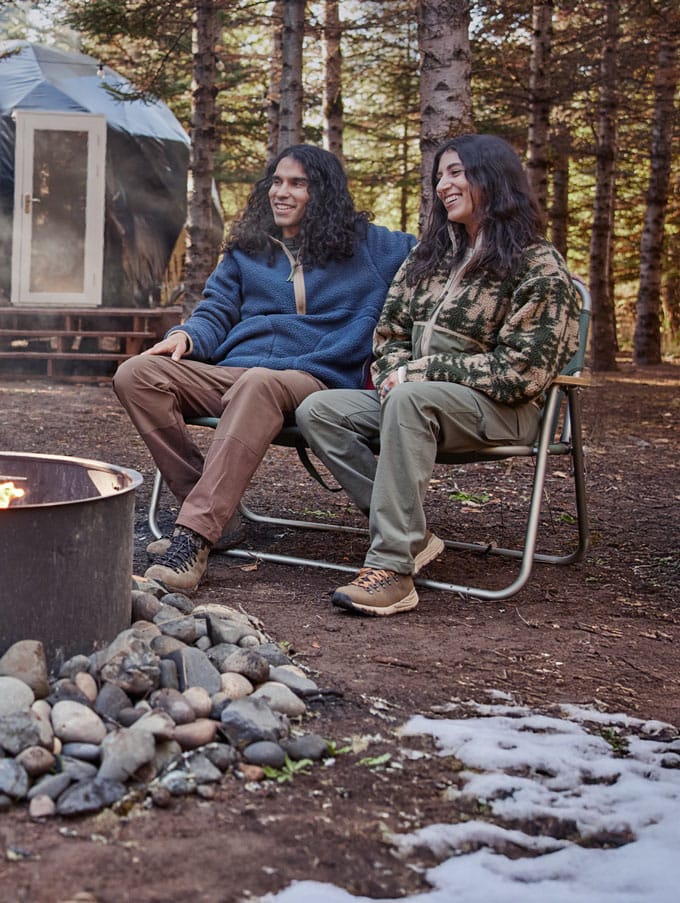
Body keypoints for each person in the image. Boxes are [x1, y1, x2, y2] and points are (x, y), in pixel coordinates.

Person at [296, 133, 582, 617]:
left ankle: (392, 568)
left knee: (411, 399)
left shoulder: (537, 264)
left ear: (493, 178)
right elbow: (390, 333)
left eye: (456, 173)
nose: (443, 185)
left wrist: (421, 372)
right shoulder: (429, 256)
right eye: (439, 176)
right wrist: (394, 372)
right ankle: (414, 536)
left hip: (504, 409)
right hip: (417, 401)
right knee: (319, 410)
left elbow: (522, 373)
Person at [113, 144, 415, 593]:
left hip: (314, 378)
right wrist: (186, 337)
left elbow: (441, 254)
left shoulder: (369, 246)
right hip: (239, 373)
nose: (281, 192)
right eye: (276, 181)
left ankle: (193, 537)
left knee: (258, 383)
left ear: (324, 193)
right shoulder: (247, 250)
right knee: (136, 374)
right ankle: (217, 516)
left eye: (297, 184)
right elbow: (216, 310)